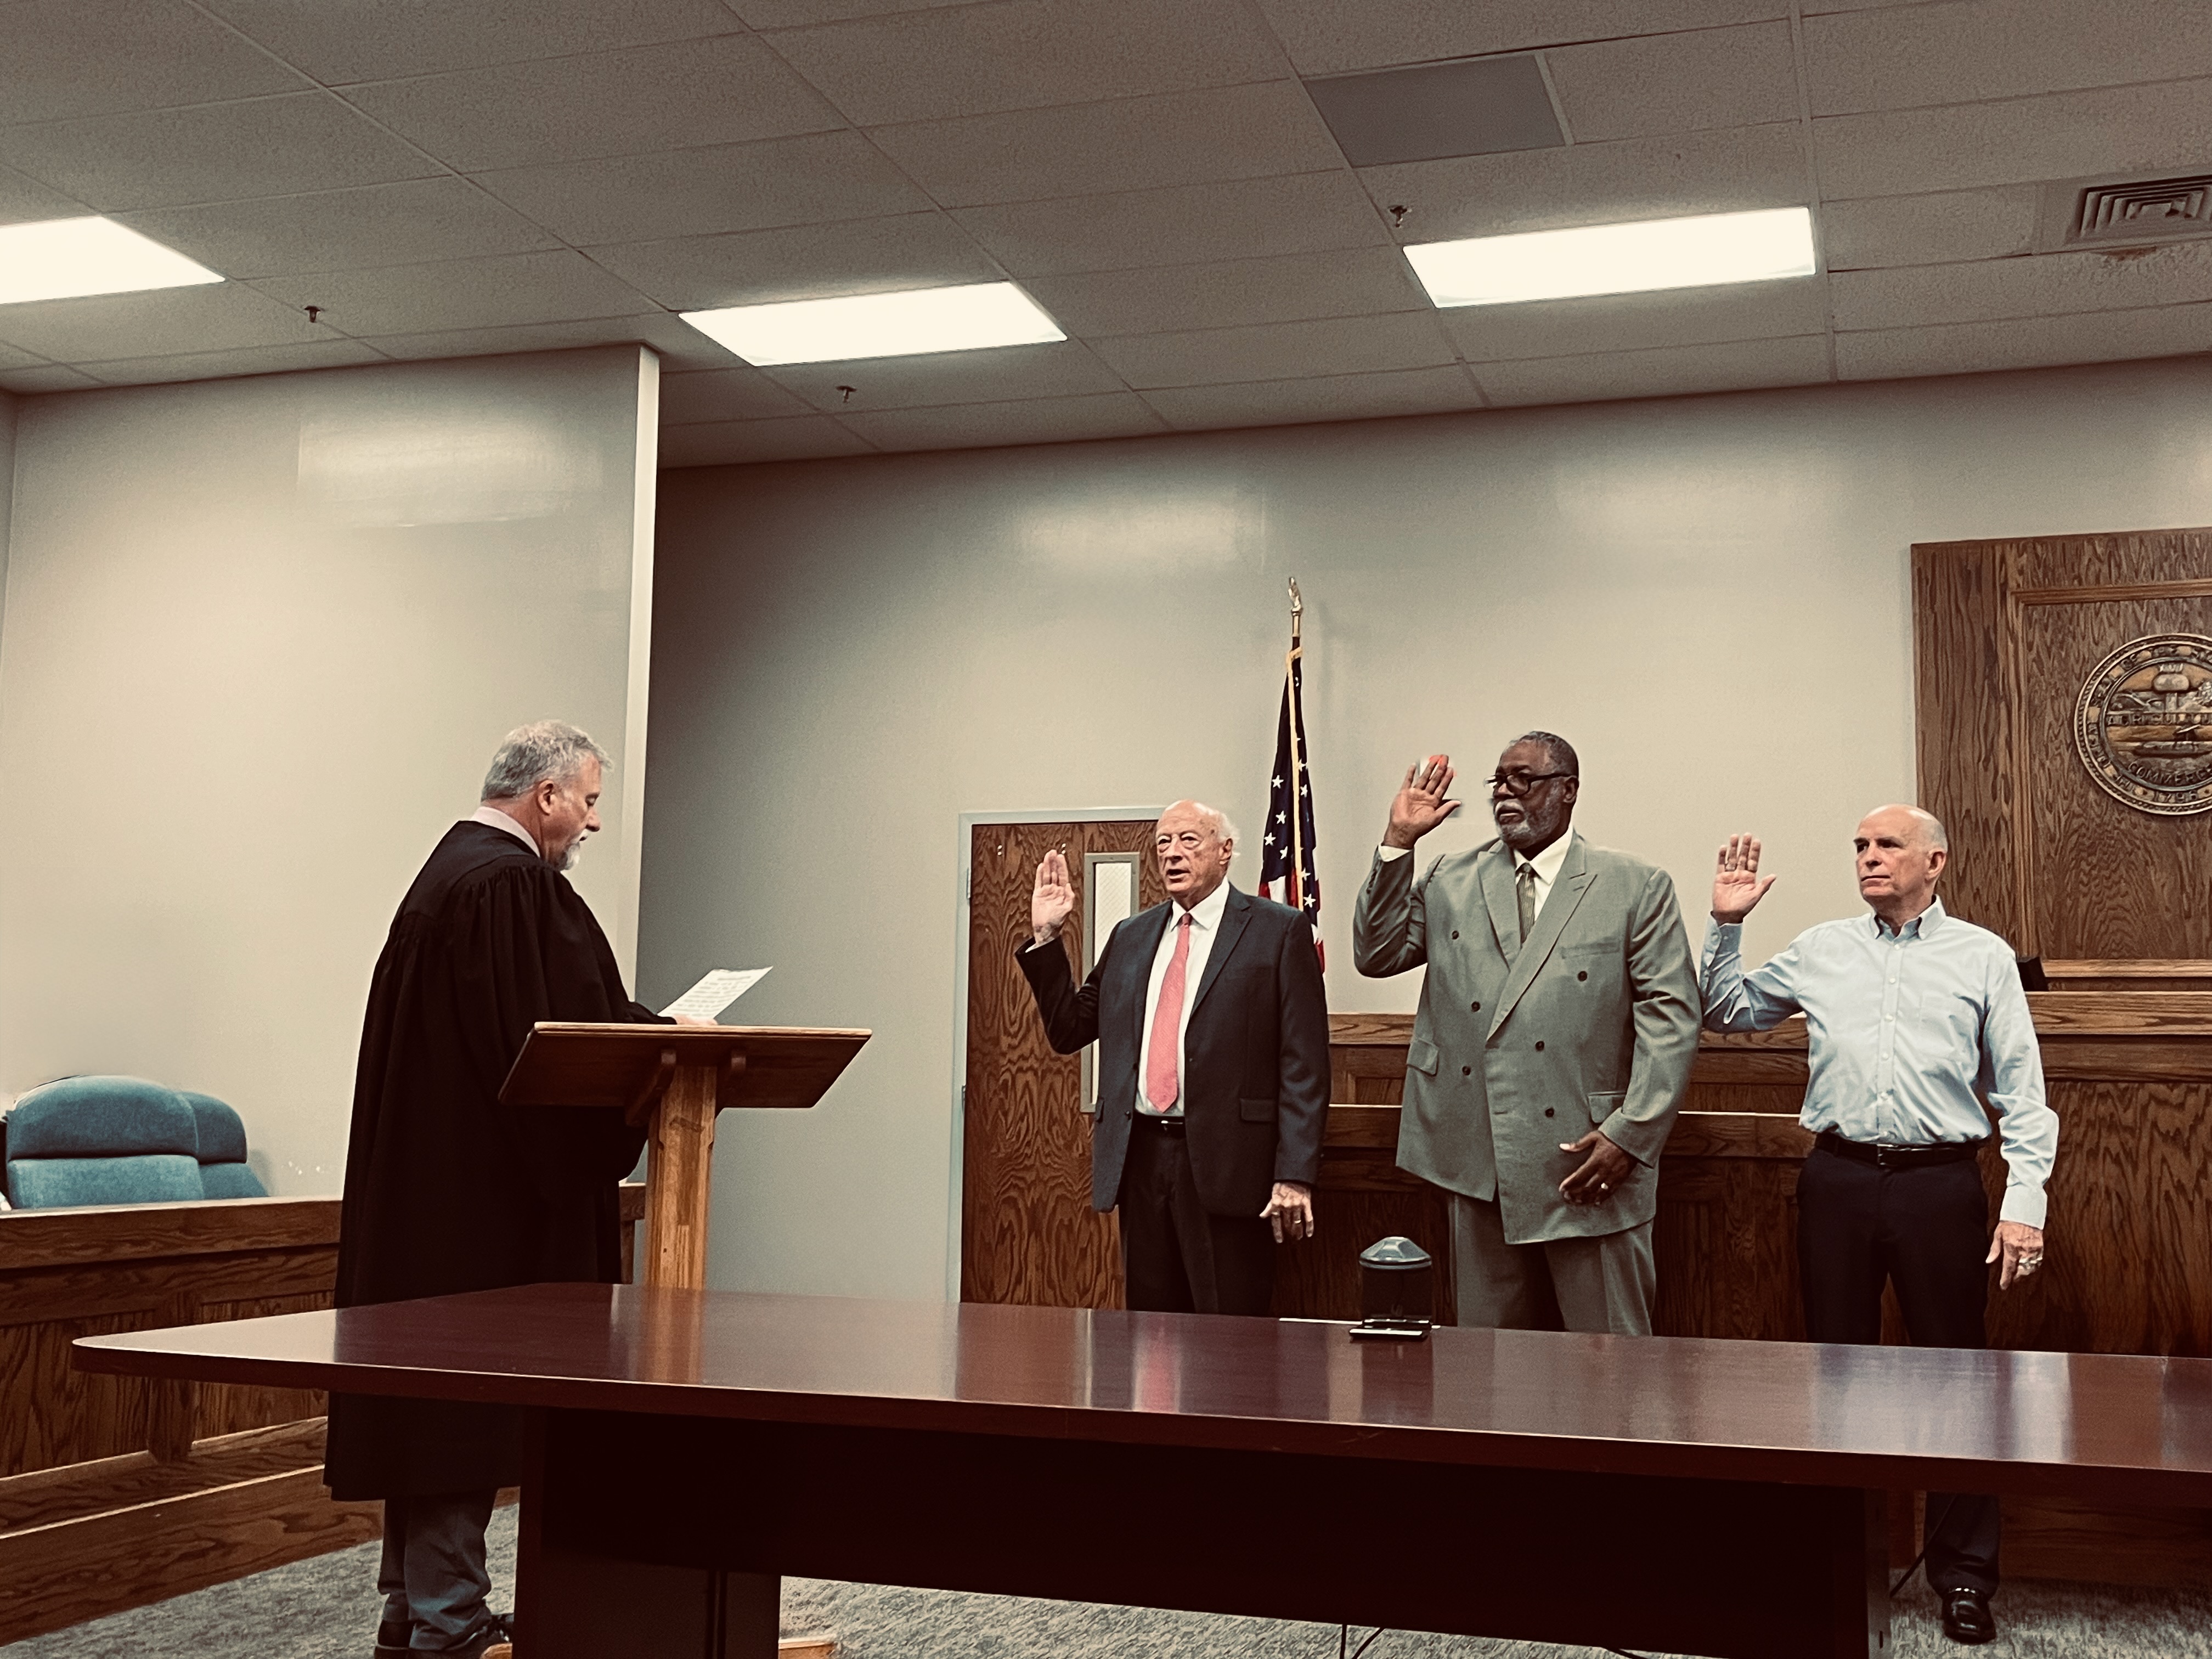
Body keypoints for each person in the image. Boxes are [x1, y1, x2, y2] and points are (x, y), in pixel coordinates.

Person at [329, 722, 706, 1658]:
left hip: (432, 1190)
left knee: (430, 1406)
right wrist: (668, 1039)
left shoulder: (445, 876)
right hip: (482, 1207)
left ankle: (417, 1608)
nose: (591, 821)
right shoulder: (508, 885)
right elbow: (564, 1033)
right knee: (461, 1403)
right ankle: (449, 1618)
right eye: (586, 800)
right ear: (544, 797)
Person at [1703, 806, 2057, 1649]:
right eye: (1859, 846)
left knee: (1960, 1384)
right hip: (1838, 1178)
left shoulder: (1979, 956)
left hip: (1941, 1186)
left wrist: (2024, 1205)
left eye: (1887, 845)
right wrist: (1726, 925)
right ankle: (1837, 1566)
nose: (1868, 857)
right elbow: (1727, 1012)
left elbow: (2022, 1089)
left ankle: (1964, 1575)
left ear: (1934, 862)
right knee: (1835, 1377)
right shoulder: (1825, 948)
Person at [1351, 734, 1699, 1335]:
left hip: (1589, 1159)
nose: (1506, 794)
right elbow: (1377, 954)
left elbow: (1670, 1021)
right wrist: (1398, 843)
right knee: (1492, 1372)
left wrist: (1630, 1136)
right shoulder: (1450, 877)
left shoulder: (1634, 885)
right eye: (1498, 783)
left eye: (1524, 780)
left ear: (1568, 791)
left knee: (1610, 1369)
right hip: (1478, 1154)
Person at [1015, 800, 1329, 1316]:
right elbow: (1070, 1029)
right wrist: (1048, 936)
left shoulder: (1278, 931)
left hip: (1232, 1165)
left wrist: (1295, 1173)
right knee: (1151, 1332)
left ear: (1225, 852)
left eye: (1189, 840)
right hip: (1142, 1158)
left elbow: (1305, 1065)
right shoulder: (1131, 936)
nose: (1172, 854)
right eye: (1163, 842)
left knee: (1230, 1334)